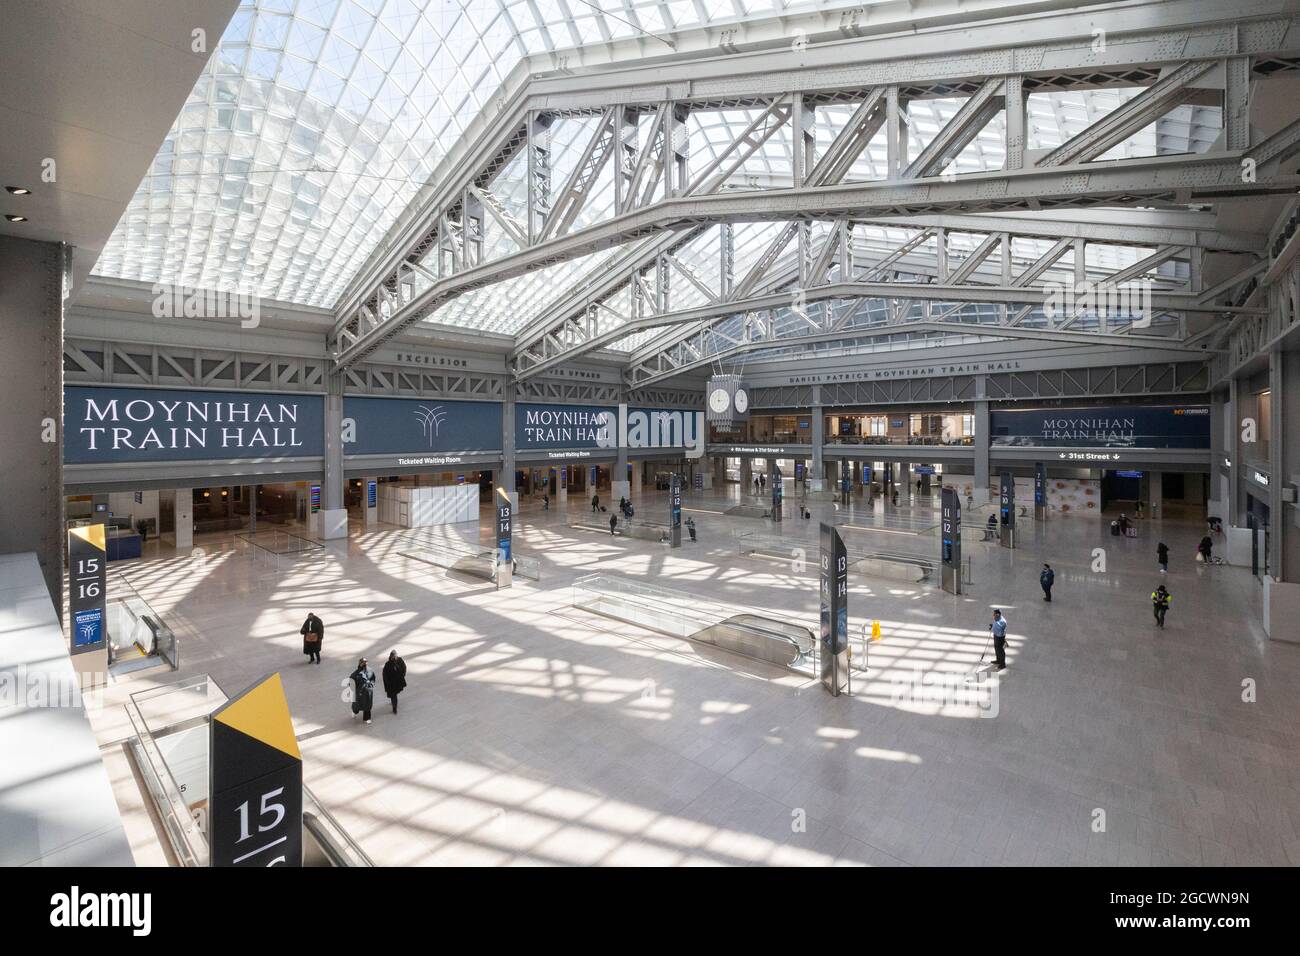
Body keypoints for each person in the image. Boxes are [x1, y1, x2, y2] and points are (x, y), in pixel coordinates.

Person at [350, 658, 376, 724]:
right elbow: (351, 681)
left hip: (368, 692)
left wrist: (371, 685)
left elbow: (373, 678)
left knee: (367, 705)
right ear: (360, 664)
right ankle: (354, 711)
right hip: (359, 693)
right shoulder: (356, 673)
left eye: (366, 663)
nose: (365, 665)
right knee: (357, 705)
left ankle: (367, 718)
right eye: (363, 663)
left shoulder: (370, 671)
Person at [382, 650, 406, 715]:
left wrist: (402, 676)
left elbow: (404, 668)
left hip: (397, 682)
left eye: (395, 656)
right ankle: (394, 708)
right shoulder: (387, 664)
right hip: (391, 684)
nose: (394, 657)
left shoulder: (400, 660)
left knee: (394, 695)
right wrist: (388, 682)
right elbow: (385, 674)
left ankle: (394, 704)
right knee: (393, 695)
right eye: (393, 656)